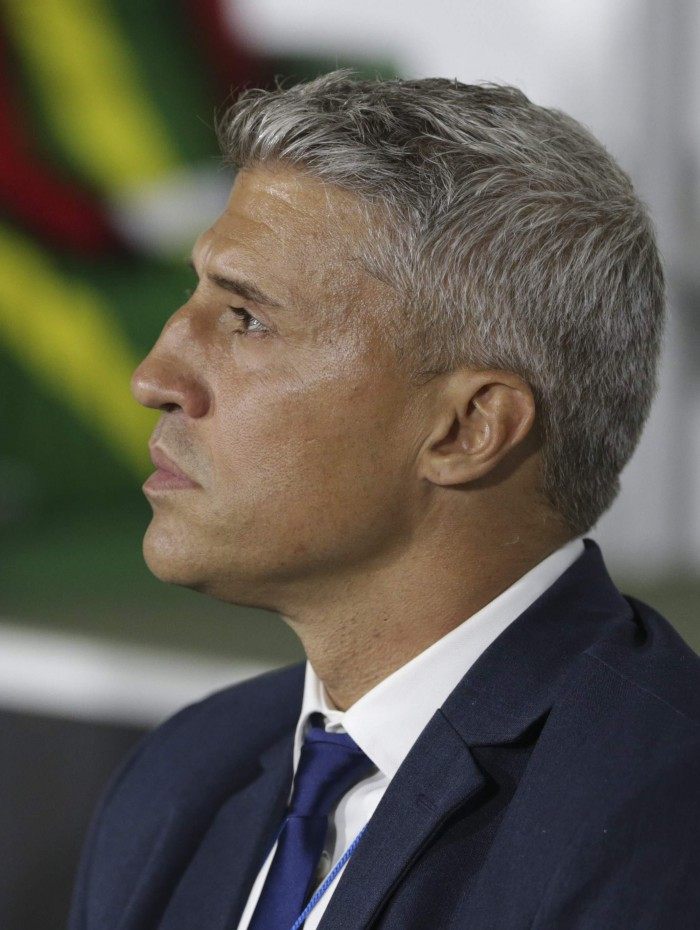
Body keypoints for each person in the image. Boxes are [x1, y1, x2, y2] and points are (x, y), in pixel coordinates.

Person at [68, 71, 700, 930]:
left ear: (467, 429)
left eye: (248, 319)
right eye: (196, 298)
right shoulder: (188, 773)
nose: (154, 378)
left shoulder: (663, 822)